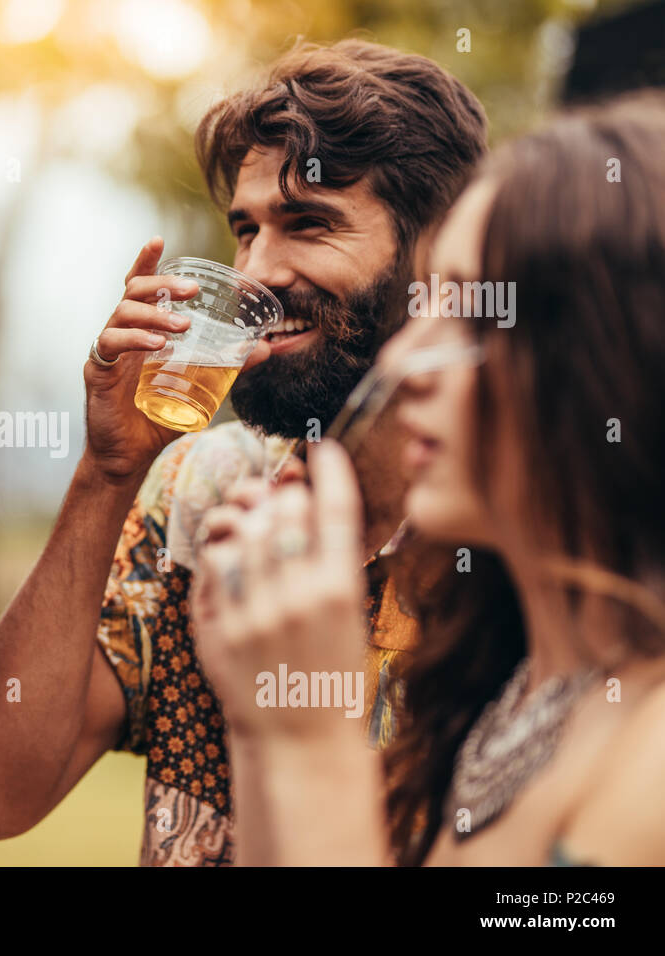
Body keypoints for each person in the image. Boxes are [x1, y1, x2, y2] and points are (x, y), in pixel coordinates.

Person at [0, 39, 488, 864]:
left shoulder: (512, 539)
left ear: (435, 255)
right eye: (244, 230)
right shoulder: (202, 490)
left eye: (308, 224)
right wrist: (109, 473)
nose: (257, 271)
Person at [190, 91, 665, 866]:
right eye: (428, 305)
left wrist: (315, 746)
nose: (407, 361)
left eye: (472, 319)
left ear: (618, 365)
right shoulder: (507, 694)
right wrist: (262, 717)